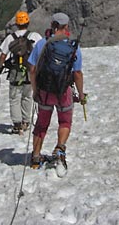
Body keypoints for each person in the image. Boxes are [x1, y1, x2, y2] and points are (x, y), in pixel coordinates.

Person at [27, 12, 85, 169]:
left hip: (45, 91)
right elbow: (77, 74)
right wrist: (80, 94)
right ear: (66, 27)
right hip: (63, 91)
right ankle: (60, 148)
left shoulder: (42, 44)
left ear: (52, 25)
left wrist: (35, 90)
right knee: (65, 121)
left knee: (41, 124)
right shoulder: (73, 47)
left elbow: (32, 69)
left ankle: (36, 157)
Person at [0, 11, 42, 135]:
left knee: (14, 97)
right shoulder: (35, 36)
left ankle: (17, 124)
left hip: (15, 71)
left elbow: (3, 54)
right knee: (27, 96)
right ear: (28, 22)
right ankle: (26, 121)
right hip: (30, 70)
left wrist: (0, 67)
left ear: (16, 23)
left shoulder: (11, 37)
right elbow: (42, 52)